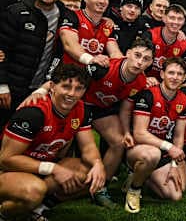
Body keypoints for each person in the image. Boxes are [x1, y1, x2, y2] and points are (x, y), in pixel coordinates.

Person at [25, 38, 154, 208]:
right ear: (128, 54)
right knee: (63, 149)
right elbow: (71, 79)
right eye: (137, 55)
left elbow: (124, 109)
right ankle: (45, 185)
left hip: (101, 110)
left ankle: (100, 188)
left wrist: (127, 132)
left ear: (151, 62)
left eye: (145, 59)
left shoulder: (141, 82)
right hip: (77, 105)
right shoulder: (103, 67)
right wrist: (41, 89)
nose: (139, 62)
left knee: (118, 142)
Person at [0, 64, 106, 220]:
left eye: (79, 88)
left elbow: (88, 146)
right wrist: (53, 168)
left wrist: (98, 164)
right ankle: (4, 213)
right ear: (52, 86)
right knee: (34, 190)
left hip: (40, 167)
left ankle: (38, 209)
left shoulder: (81, 109)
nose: (72, 94)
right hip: (9, 170)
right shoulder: (34, 113)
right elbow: (6, 159)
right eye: (66, 86)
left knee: (88, 173)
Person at [0, 0, 68, 127]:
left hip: (42, 87)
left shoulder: (65, 15)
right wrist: (2, 86)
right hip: (12, 87)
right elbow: (1, 50)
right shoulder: (15, 12)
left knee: (30, 134)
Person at [124, 57, 186, 213]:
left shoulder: (183, 99)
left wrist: (174, 164)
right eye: (171, 73)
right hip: (140, 148)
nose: (175, 77)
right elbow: (139, 134)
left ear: (184, 78)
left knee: (176, 195)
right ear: (162, 74)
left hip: (165, 151)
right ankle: (134, 190)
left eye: (179, 74)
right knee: (151, 155)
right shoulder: (148, 94)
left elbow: (179, 136)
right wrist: (169, 147)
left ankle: (143, 175)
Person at [55, 0, 122, 69]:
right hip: (65, 73)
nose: (102, 1)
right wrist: (91, 60)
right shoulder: (73, 16)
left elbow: (115, 52)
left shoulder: (107, 25)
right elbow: (69, 44)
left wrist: (125, 67)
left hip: (90, 77)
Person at [142, 4, 186, 80]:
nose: (176, 22)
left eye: (180, 19)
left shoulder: (185, 45)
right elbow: (138, 62)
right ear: (164, 18)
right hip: (144, 80)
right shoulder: (150, 35)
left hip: (167, 85)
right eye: (172, 18)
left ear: (184, 21)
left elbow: (181, 72)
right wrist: (144, 79)